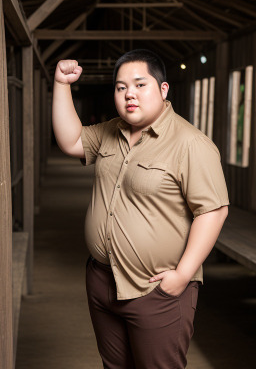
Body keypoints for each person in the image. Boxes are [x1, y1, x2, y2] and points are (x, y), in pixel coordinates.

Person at [52, 49, 230, 369]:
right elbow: (70, 141)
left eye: (139, 84)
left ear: (163, 90)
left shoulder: (191, 144)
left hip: (155, 290)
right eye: (121, 87)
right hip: (102, 280)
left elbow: (213, 211)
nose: (129, 94)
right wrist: (61, 83)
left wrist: (182, 275)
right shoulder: (110, 132)